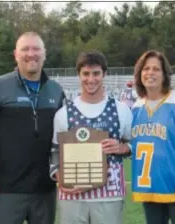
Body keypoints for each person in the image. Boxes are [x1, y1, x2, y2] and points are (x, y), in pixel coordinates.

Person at [0, 31, 65, 224]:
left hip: (44, 191)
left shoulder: (56, 91)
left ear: (44, 54)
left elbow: (64, 137)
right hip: (5, 191)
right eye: (25, 49)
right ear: (16, 54)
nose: (31, 54)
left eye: (36, 48)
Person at [49, 50, 132, 224]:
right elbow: (55, 151)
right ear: (79, 75)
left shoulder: (121, 110)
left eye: (96, 73)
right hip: (72, 195)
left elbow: (136, 144)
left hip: (109, 193)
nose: (91, 79)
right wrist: (59, 176)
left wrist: (123, 147)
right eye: (86, 73)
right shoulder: (64, 113)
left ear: (104, 74)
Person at [130, 50, 175, 224]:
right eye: (146, 69)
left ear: (164, 74)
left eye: (156, 69)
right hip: (149, 191)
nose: (150, 73)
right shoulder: (136, 107)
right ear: (140, 74)